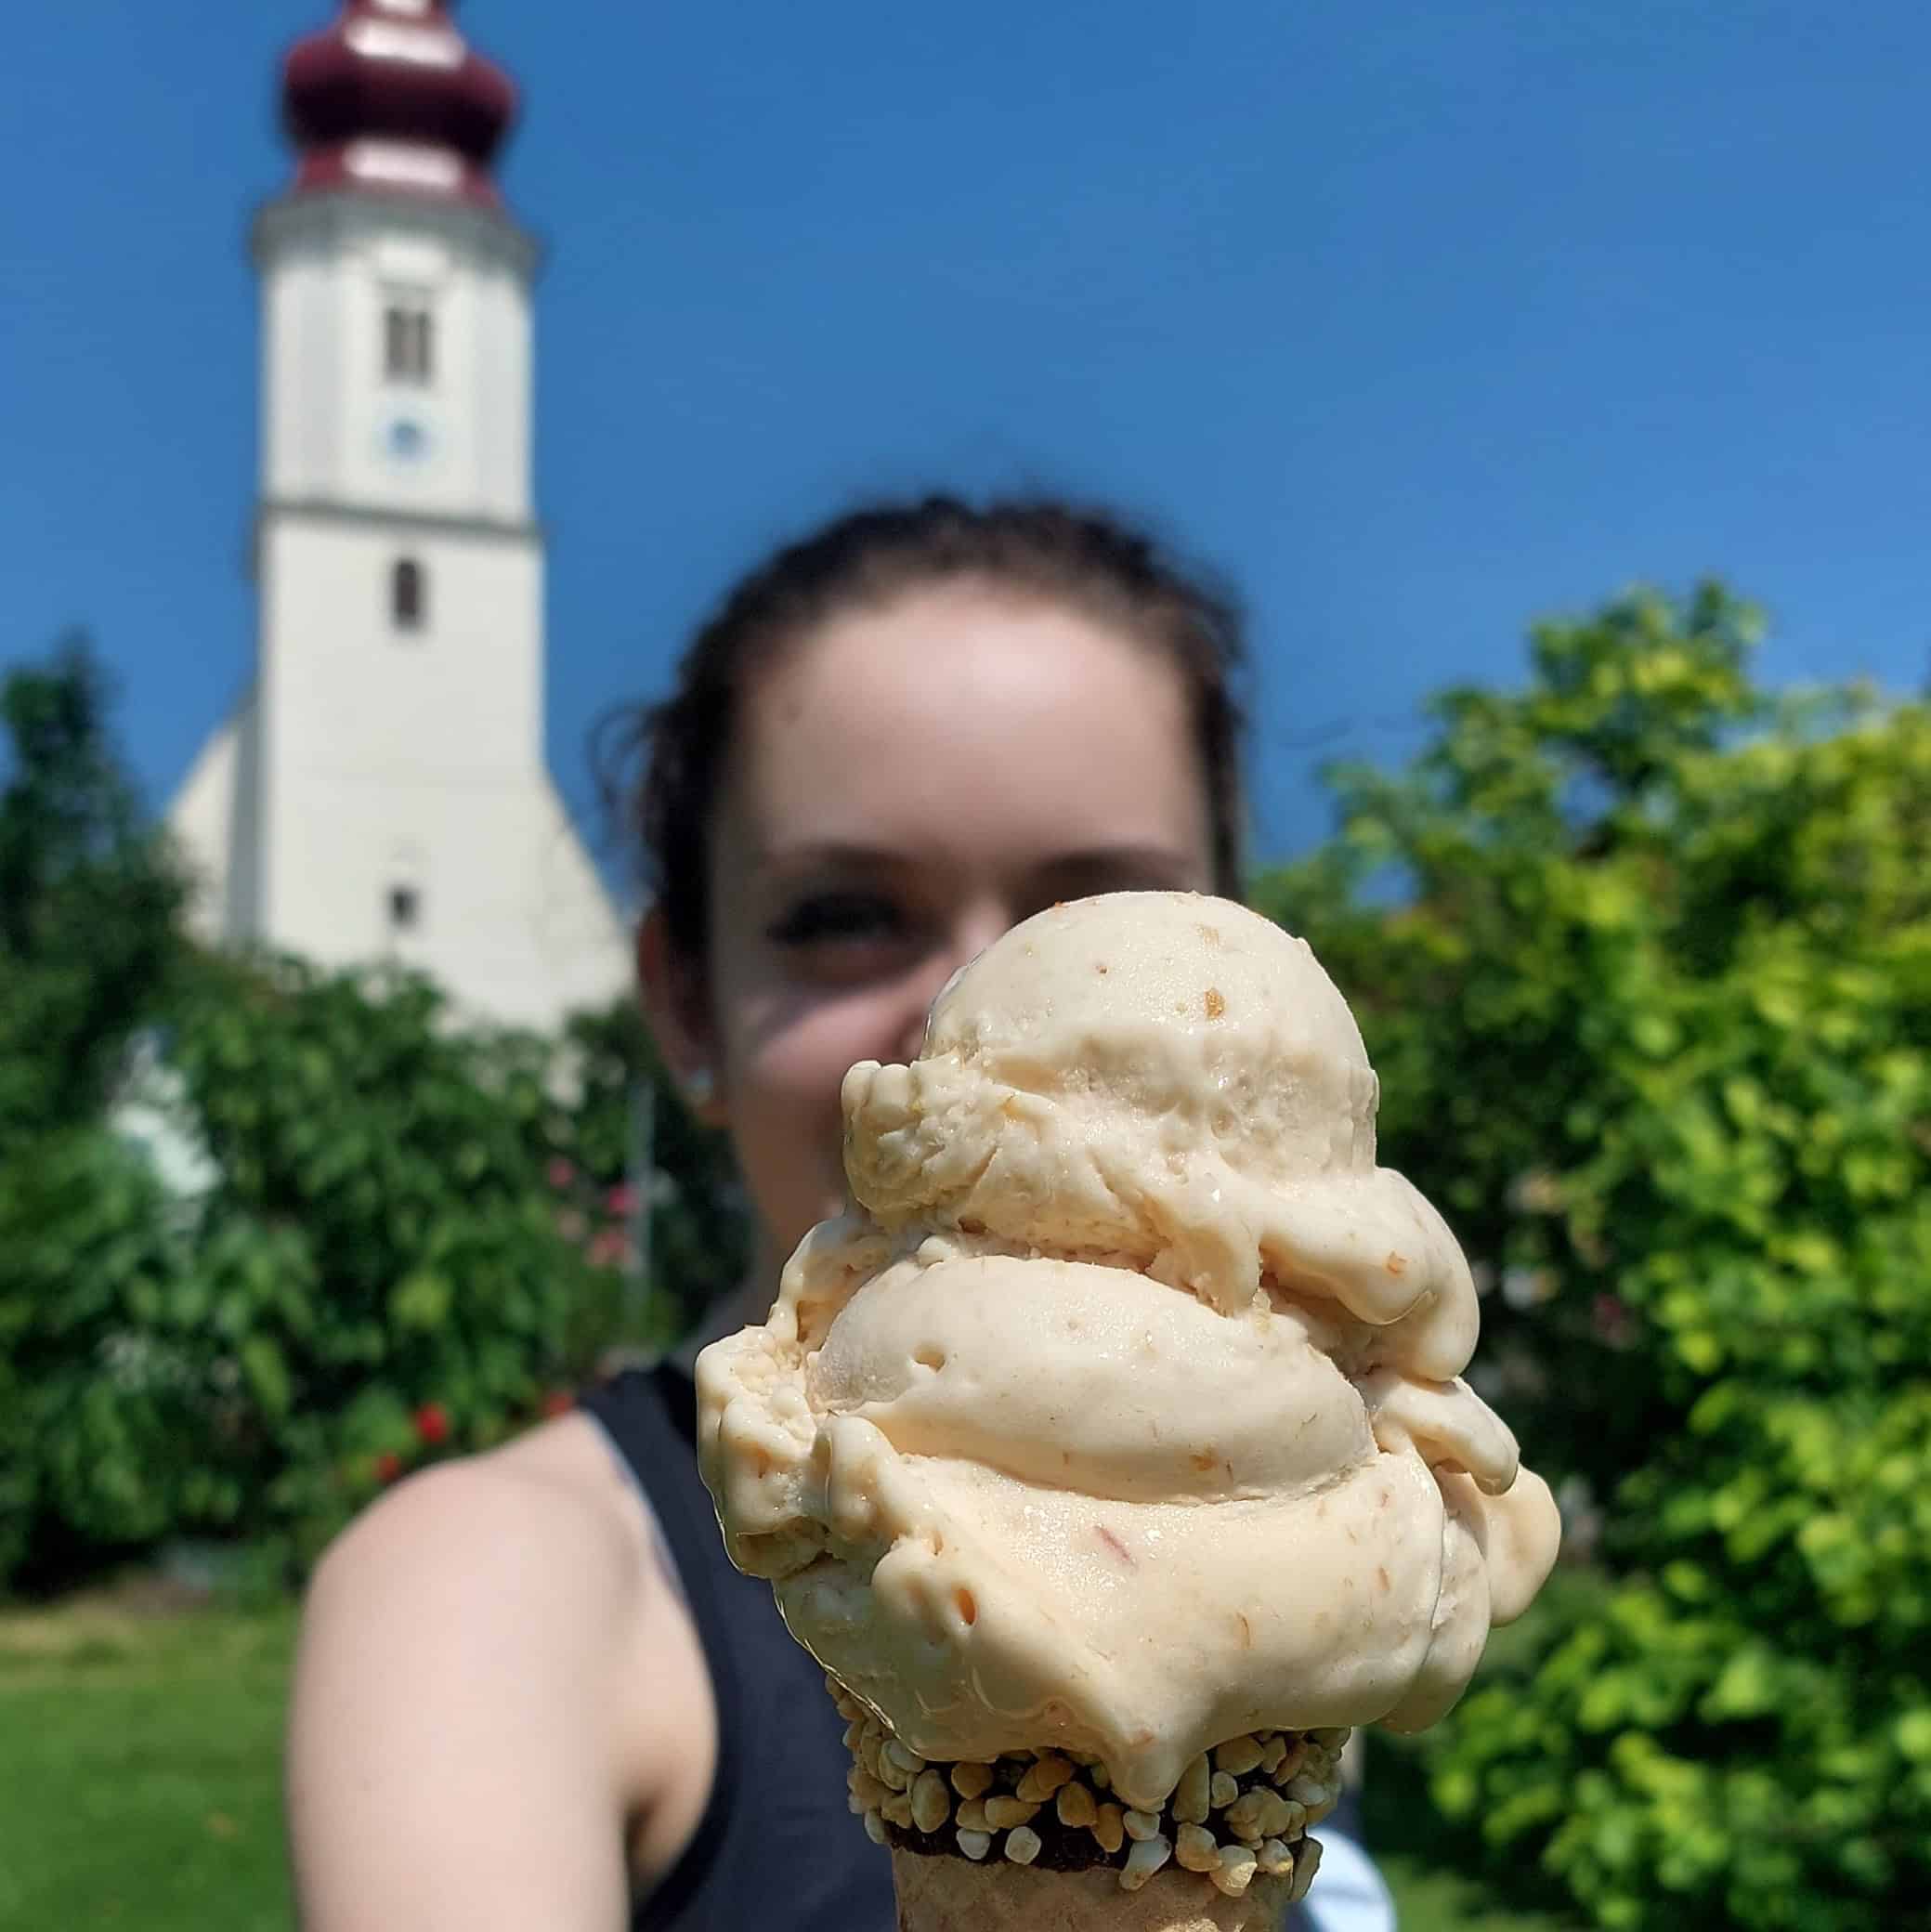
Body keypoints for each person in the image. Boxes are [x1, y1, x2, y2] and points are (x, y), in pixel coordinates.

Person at [285, 496, 1397, 1932]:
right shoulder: (492, 1589)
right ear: (687, 1001)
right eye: (844, 916)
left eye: (1100, 919)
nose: (965, 1022)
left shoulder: (1333, 1507)